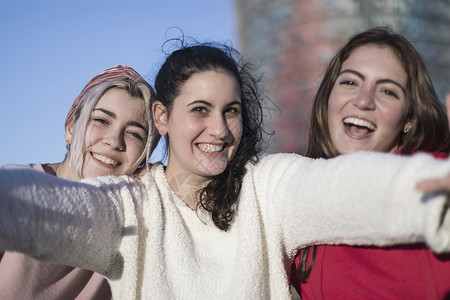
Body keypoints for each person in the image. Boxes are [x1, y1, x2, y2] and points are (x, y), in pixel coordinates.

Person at [1, 42, 450, 300]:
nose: (219, 130)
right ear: (161, 117)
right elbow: (55, 210)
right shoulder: (131, 204)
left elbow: (342, 188)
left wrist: (426, 191)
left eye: (230, 111)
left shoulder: (267, 186)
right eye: (200, 110)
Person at [291, 27, 450, 299]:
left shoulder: (429, 180)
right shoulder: (296, 193)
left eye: (387, 91)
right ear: (329, 96)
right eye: (350, 82)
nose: (363, 101)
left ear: (409, 119)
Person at [0, 65, 156, 299]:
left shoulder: (137, 214)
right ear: (71, 128)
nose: (114, 141)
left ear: (144, 156)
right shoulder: (15, 190)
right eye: (101, 120)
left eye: (134, 134)